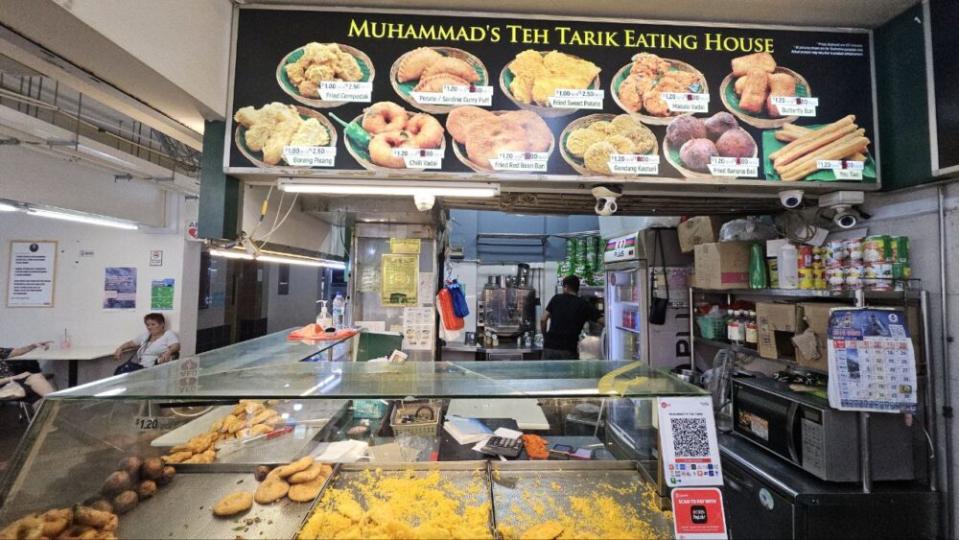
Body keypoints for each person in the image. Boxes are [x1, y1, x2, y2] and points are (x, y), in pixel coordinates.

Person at [540, 275, 600, 360]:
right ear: (577, 288)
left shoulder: (556, 298)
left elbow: (543, 319)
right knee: (567, 373)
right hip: (568, 350)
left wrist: (545, 336)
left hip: (550, 347)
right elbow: (601, 320)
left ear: (566, 287)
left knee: (548, 373)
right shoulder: (584, 304)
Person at [114, 313, 180, 372]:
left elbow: (176, 345)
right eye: (148, 325)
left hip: (157, 369)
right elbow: (131, 343)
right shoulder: (146, 335)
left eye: (153, 324)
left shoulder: (168, 334)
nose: (149, 327)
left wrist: (168, 352)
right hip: (141, 368)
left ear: (162, 324)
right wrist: (120, 348)